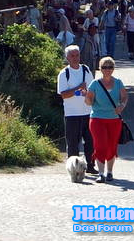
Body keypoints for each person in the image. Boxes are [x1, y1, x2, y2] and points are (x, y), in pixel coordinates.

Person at [85, 57, 128, 183]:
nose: (107, 70)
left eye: (110, 67)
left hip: (114, 119)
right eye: (104, 67)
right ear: (100, 69)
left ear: (113, 69)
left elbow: (124, 97)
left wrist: (122, 106)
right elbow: (89, 102)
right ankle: (101, 173)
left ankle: (109, 172)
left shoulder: (118, 82)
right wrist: (86, 96)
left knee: (111, 146)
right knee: (100, 145)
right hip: (97, 118)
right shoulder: (95, 84)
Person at [58, 46, 98, 175]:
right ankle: (74, 170)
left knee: (90, 142)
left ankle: (90, 165)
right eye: (72, 56)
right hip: (72, 114)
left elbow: (92, 90)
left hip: (88, 113)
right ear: (67, 58)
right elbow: (63, 94)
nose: (75, 58)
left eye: (77, 55)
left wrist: (87, 93)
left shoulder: (86, 70)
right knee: (73, 144)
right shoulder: (64, 74)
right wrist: (78, 89)